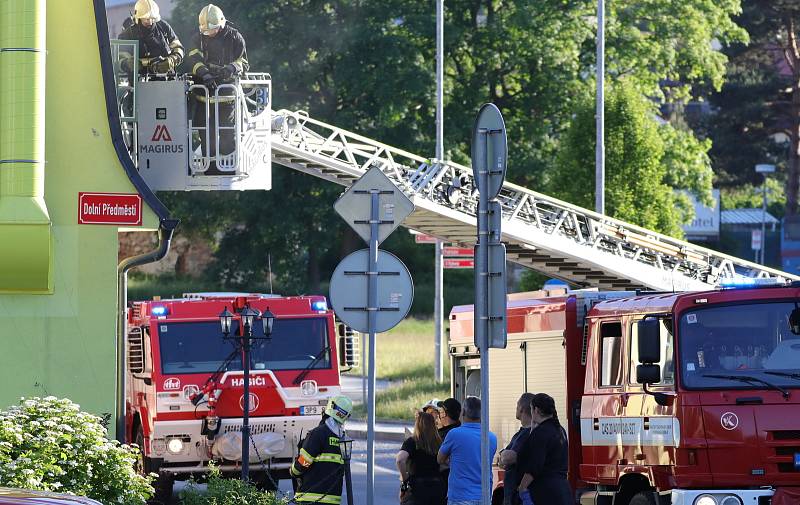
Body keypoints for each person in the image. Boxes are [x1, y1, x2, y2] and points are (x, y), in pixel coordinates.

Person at [186, 3, 249, 173]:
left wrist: (229, 69)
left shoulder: (235, 37)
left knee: (228, 134)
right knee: (206, 134)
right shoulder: (197, 38)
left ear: (221, 24)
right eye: (207, 31)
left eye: (213, 29)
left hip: (227, 96)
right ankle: (210, 169)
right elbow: (192, 60)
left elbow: (243, 62)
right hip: (203, 96)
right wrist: (205, 74)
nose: (210, 33)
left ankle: (228, 168)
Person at [290, 395, 352, 504]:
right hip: (333, 499)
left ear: (330, 407)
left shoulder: (318, 433)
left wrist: (293, 471)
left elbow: (304, 461)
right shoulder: (343, 439)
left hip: (310, 498)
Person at [437, 396, 497, 505]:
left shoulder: (454, 434)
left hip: (460, 497)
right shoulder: (491, 437)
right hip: (484, 497)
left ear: (463, 412)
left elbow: (440, 459)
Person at [517, 393, 572, 505]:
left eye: (531, 409)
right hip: (563, 491)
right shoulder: (560, 430)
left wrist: (522, 488)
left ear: (536, 410)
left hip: (545, 493)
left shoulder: (541, 433)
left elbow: (534, 466)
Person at [118, 0, 184, 75]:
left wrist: (171, 60)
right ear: (138, 17)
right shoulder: (127, 35)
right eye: (146, 19)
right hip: (139, 82)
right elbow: (118, 61)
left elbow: (179, 49)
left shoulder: (164, 27)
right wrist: (127, 63)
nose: (150, 22)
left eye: (152, 18)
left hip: (168, 79)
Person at [396, 411, 446, 505]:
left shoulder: (412, 442)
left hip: (416, 490)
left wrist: (404, 478)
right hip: (437, 489)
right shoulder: (438, 442)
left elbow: (400, 460)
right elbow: (445, 463)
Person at [499, 393, 536, 505]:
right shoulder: (520, 433)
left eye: (516, 406)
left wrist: (503, 454)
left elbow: (506, 459)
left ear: (521, 409)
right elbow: (502, 461)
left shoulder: (527, 434)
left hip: (519, 496)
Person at [436, 397, 462, 498]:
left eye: (440, 412)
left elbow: (440, 459)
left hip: (445, 484)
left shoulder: (446, 435)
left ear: (444, 414)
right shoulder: (460, 430)